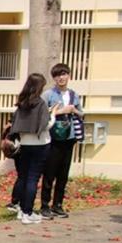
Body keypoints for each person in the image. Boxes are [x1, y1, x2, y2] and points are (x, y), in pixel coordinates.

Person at [8, 73, 61, 225]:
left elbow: (17, 125)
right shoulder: (40, 103)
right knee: (33, 178)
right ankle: (28, 212)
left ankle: (21, 210)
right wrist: (54, 115)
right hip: (40, 144)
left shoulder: (21, 103)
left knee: (24, 177)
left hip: (24, 144)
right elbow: (46, 125)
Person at [39, 63, 84, 219]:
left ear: (69, 75)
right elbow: (41, 115)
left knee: (63, 174)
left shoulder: (73, 95)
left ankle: (58, 205)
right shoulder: (48, 95)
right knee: (49, 173)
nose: (61, 78)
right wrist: (59, 112)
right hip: (52, 139)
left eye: (63, 74)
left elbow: (81, 114)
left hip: (69, 138)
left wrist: (74, 110)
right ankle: (44, 205)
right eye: (57, 75)